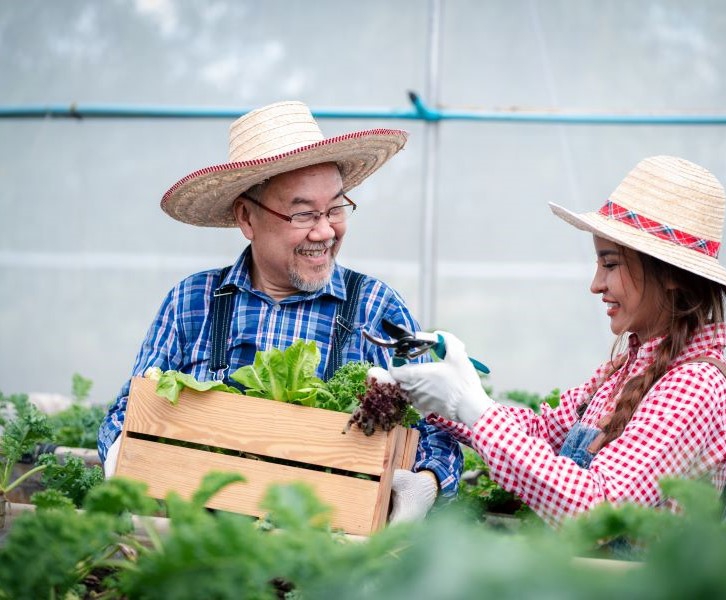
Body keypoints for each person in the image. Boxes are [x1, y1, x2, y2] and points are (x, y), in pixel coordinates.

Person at [97, 100, 462, 523]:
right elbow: (130, 412)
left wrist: (427, 481)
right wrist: (123, 459)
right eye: (304, 213)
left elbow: (436, 430)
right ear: (247, 218)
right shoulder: (191, 302)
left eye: (337, 209)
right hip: (198, 544)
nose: (325, 231)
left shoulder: (376, 308)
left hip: (328, 551)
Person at [387, 155, 726, 527]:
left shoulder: (694, 388)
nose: (596, 284)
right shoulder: (626, 369)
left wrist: (475, 409)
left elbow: (597, 510)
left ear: (671, 275)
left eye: (610, 265)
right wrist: (442, 400)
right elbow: (542, 435)